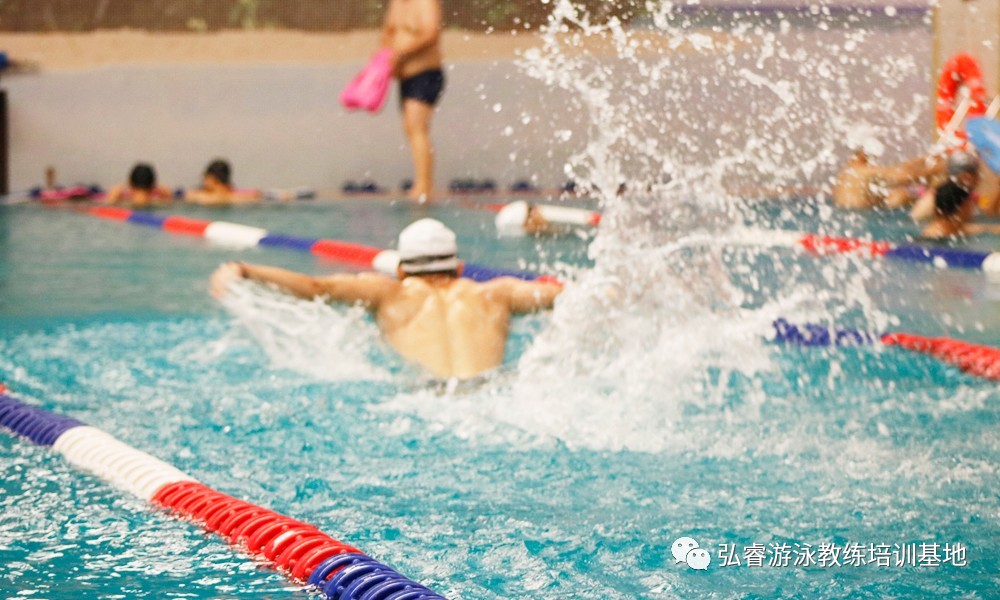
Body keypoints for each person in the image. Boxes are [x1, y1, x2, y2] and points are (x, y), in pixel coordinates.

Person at [210, 219, 563, 380]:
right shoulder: (496, 292)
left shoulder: (388, 292)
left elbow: (316, 287)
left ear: (402, 269)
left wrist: (244, 269)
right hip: (493, 397)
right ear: (457, 266)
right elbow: (573, 297)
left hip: (428, 402)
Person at [382, 0, 444, 203]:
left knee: (417, 128)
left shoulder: (425, 2)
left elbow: (431, 33)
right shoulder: (397, 3)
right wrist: (383, 60)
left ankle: (424, 186)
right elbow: (389, 32)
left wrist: (401, 54)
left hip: (425, 73)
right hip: (406, 76)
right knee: (411, 128)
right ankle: (421, 184)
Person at [833, 146, 944, 210]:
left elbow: (898, 172)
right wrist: (937, 167)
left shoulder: (846, 174)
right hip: (861, 216)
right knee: (903, 194)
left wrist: (922, 160)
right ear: (863, 157)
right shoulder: (861, 172)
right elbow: (902, 174)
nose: (874, 164)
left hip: (850, 214)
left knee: (901, 193)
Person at [921, 151, 1000, 239]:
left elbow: (985, 218)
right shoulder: (930, 198)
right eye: (977, 174)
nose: (979, 178)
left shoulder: (941, 194)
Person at [185, 159, 261, 205]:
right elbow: (257, 194)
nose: (203, 182)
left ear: (213, 178)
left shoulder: (201, 196)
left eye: (205, 178)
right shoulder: (241, 196)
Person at [105, 163, 174, 208]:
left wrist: (113, 196)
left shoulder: (122, 203)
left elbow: (107, 207)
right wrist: (168, 195)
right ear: (153, 185)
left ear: (129, 183)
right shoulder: (160, 203)